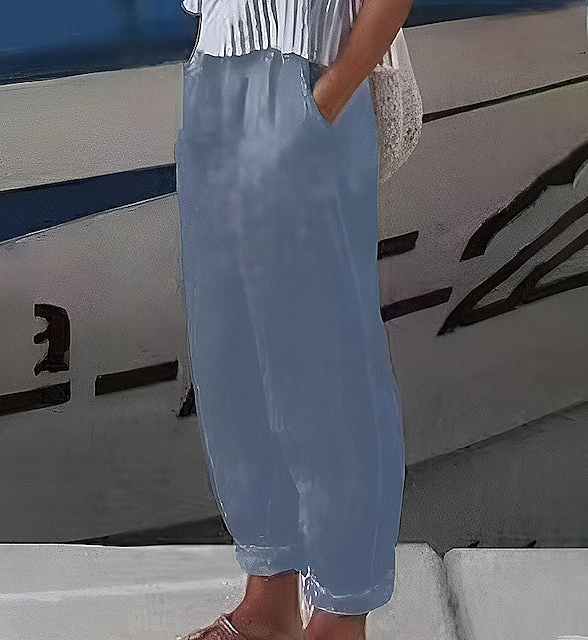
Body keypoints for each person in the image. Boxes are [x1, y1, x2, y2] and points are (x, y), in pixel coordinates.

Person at [176, 0, 413, 637]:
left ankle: (340, 613)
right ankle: (269, 599)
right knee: (231, 356)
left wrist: (326, 100)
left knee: (324, 358)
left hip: (307, 71)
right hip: (215, 71)